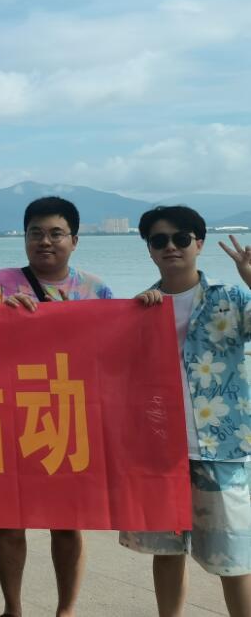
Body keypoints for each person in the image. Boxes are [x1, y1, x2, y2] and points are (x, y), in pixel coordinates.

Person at [0, 196, 112, 617]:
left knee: (67, 523)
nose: (45, 241)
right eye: (36, 233)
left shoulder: (96, 291)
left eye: (55, 233)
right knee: (9, 520)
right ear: (25, 237)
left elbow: (114, 351)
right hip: (10, 418)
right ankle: (12, 608)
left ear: (74, 239)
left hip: (70, 419)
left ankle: (65, 609)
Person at [121, 206, 251, 616]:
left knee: (234, 559)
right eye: (159, 240)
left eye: (181, 238)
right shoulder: (137, 309)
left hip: (222, 447)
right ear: (149, 249)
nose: (171, 247)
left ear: (199, 243)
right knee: (166, 552)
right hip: (158, 450)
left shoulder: (231, 299)